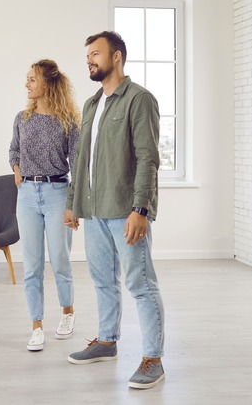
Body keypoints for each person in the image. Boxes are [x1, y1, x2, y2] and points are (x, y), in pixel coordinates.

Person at [64, 31, 166, 389]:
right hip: (93, 211)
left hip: (125, 209)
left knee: (141, 284)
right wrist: (73, 203)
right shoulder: (92, 104)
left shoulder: (140, 100)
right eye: (87, 55)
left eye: (96, 54)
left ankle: (153, 359)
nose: (89, 60)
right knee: (102, 280)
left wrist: (141, 208)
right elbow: (82, 159)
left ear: (117, 57)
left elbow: (148, 157)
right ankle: (106, 342)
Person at [8, 59, 79, 352]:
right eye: (27, 79)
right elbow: (13, 149)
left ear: (47, 83)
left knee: (60, 260)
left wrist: (74, 206)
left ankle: (67, 313)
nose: (27, 84)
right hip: (26, 195)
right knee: (32, 266)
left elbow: (77, 164)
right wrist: (17, 171)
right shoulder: (22, 118)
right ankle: (36, 326)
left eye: (32, 79)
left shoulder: (69, 121)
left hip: (57, 192)